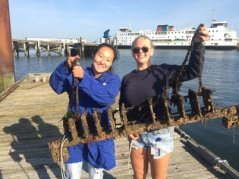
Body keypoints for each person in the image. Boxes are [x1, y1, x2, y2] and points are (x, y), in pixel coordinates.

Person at [119, 25, 209, 179]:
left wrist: (198, 44)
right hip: (136, 135)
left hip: (159, 134)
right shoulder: (127, 78)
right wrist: (127, 127)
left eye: (144, 49)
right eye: (136, 50)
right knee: (138, 176)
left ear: (152, 51)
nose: (140, 52)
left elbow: (193, 71)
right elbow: (123, 106)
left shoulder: (164, 71)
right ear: (132, 53)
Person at [49, 43, 121, 179]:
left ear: (111, 63)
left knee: (96, 175)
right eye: (100, 56)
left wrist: (84, 78)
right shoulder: (77, 72)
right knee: (73, 175)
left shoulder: (113, 79)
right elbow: (56, 86)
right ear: (93, 55)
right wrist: (65, 67)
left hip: (99, 134)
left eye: (108, 59)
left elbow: (105, 98)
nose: (103, 61)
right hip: (74, 132)